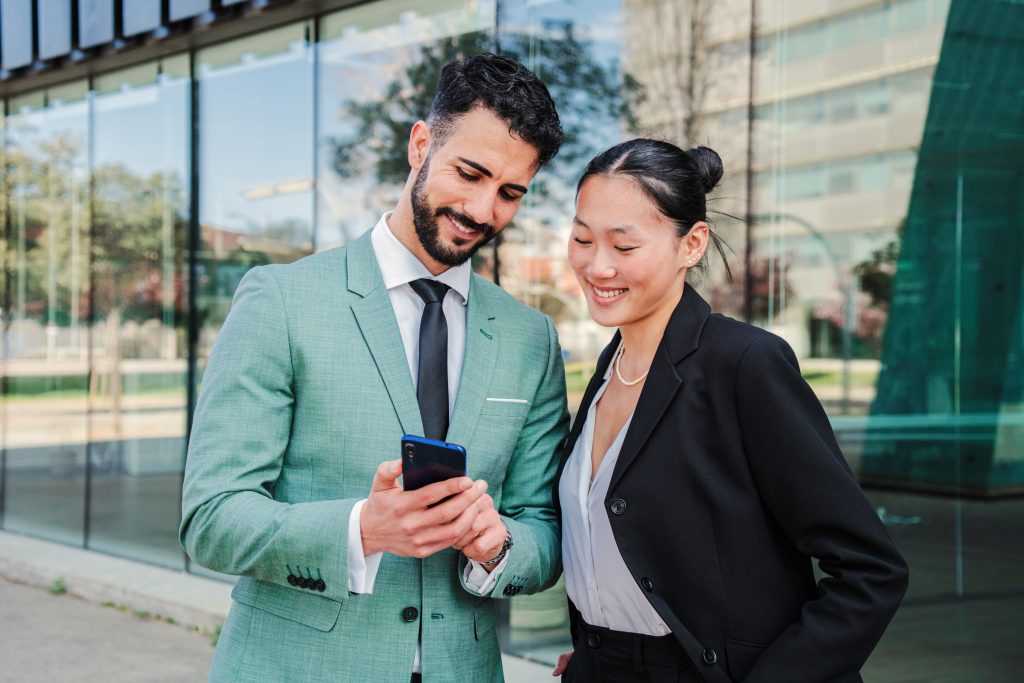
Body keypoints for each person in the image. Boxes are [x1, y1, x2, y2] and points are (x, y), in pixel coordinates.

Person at [180, 53, 569, 683]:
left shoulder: (533, 339)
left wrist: (497, 545)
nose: (481, 209)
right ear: (420, 145)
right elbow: (212, 517)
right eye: (469, 173)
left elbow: (544, 532)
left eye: (509, 193)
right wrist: (363, 529)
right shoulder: (280, 300)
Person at [551, 139, 909, 683]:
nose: (597, 266)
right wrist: (600, 648)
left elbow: (871, 570)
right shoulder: (608, 369)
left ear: (692, 244)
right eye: (582, 239)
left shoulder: (744, 364)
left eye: (624, 246)